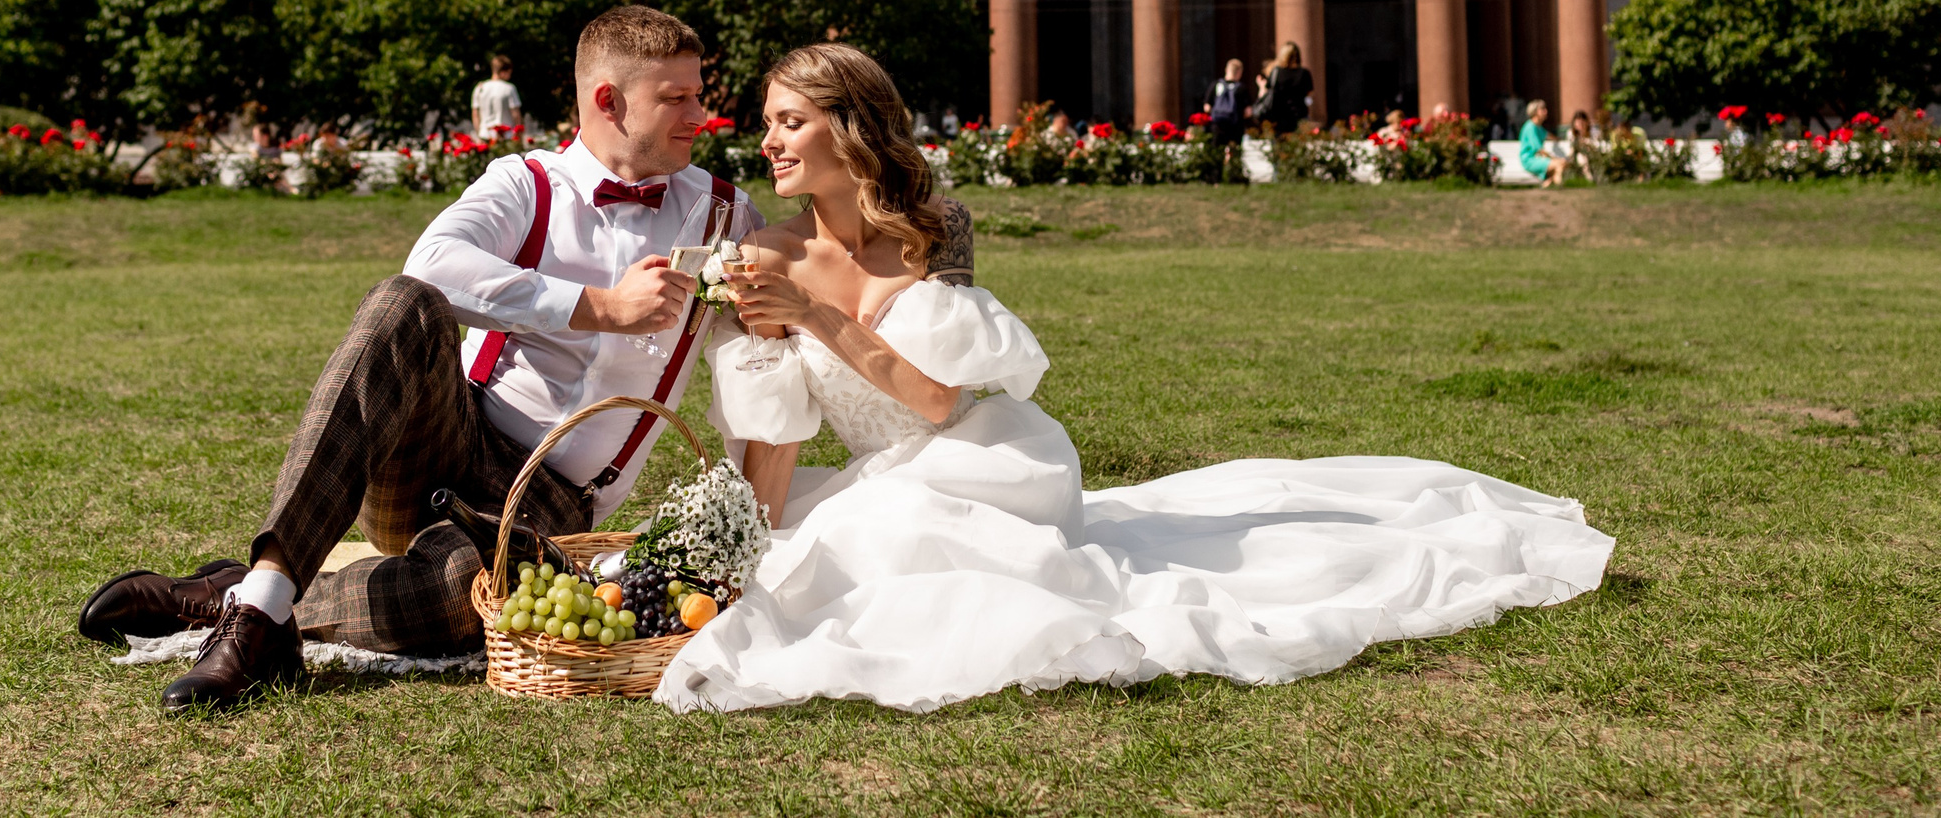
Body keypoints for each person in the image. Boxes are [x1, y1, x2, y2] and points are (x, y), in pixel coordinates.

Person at [658, 43, 1612, 712]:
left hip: (977, 458)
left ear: (849, 127)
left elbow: (940, 399)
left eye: (791, 121)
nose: (769, 142)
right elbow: (774, 426)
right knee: (851, 538)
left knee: (906, 534)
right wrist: (753, 543)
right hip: (882, 473)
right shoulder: (760, 256)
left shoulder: (932, 227)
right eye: (770, 124)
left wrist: (823, 316)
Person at [79, 6, 755, 711]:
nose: (699, 112)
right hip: (448, 438)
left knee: (463, 600)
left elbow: (811, 266)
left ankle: (243, 597)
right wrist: (598, 307)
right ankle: (260, 613)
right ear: (607, 101)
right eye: (676, 97)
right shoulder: (528, 183)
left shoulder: (725, 217)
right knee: (404, 301)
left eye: (698, 92)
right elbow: (433, 263)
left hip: (554, 497)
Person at [1255, 40, 1313, 133]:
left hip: (1279, 117)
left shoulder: (1276, 72)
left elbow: (1267, 92)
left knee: (1280, 145)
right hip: (1299, 115)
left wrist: (1261, 87)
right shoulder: (1304, 73)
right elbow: (1309, 95)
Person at [470, 54, 523, 140]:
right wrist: (518, 134)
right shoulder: (509, 88)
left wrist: (479, 134)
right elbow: (515, 114)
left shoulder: (480, 88)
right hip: (506, 136)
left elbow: (475, 114)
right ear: (503, 72)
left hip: (485, 135)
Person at [1202, 58, 1250, 144]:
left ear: (1226, 70)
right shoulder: (1241, 88)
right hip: (1235, 127)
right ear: (1240, 72)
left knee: (1217, 153)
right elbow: (1247, 112)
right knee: (1234, 153)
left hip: (1217, 126)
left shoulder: (1216, 85)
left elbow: (1207, 107)